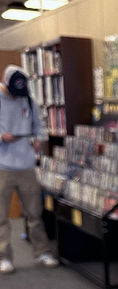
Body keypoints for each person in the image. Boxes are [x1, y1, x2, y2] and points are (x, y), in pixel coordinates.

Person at [0, 65, 58, 274]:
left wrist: (38, 140)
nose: (17, 97)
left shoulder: (28, 99)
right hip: (2, 167)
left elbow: (39, 126)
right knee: (1, 216)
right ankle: (4, 257)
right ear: (5, 83)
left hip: (26, 165)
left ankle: (42, 252)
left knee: (35, 213)